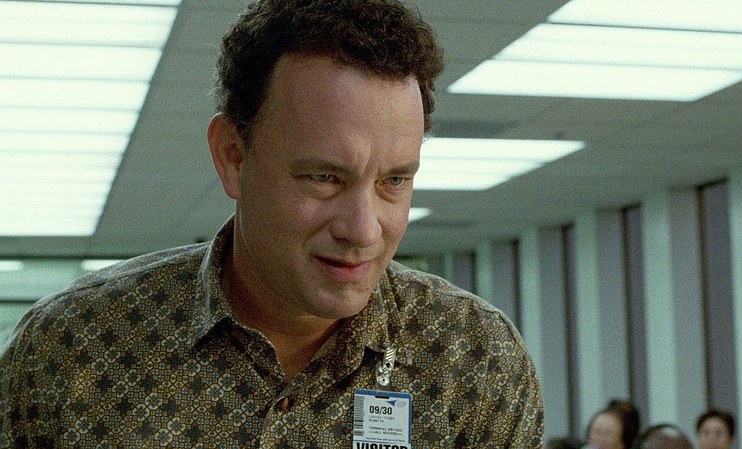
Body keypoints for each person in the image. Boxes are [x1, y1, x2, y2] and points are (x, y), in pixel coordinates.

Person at [0, 0, 544, 447]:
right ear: (233, 156)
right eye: (324, 178)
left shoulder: (473, 358)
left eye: (394, 181)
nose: (363, 230)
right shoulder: (71, 345)